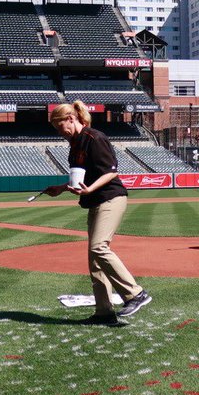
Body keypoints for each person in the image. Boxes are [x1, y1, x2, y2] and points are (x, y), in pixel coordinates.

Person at [44, 101, 151, 325]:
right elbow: (82, 179)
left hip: (110, 198)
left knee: (99, 248)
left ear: (71, 119)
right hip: (94, 200)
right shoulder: (75, 144)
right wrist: (62, 188)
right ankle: (104, 313)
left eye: (59, 125)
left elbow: (111, 172)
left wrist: (91, 188)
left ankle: (135, 293)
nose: (59, 131)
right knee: (95, 260)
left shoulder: (95, 138)